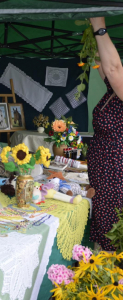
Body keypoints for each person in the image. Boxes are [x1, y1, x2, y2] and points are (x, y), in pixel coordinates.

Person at [87, 16, 123, 251]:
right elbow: (104, 66)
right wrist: (92, 39)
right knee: (104, 225)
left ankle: (112, 278)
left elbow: (113, 68)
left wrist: (99, 25)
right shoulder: (113, 89)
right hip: (104, 174)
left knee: (111, 229)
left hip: (115, 174)